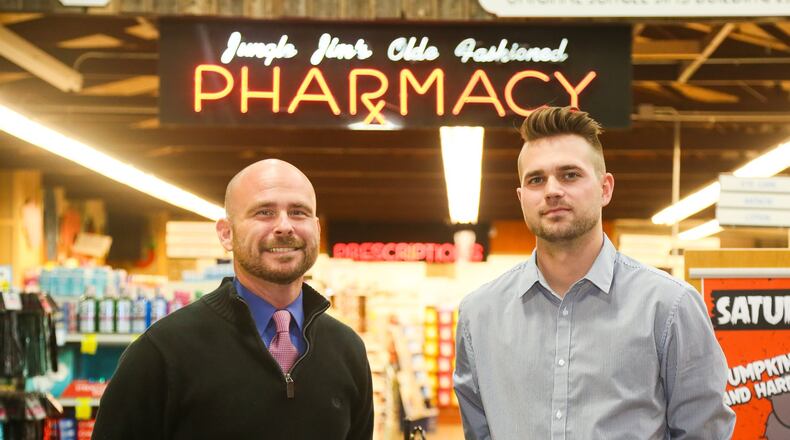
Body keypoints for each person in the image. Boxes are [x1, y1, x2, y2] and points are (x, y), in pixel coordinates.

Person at [453, 107, 735, 439]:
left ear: (605, 188)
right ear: (521, 198)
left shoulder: (670, 307)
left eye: (570, 174)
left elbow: (703, 431)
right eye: (536, 179)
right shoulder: (479, 315)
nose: (552, 190)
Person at [93, 159, 374, 439]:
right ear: (226, 234)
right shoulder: (162, 352)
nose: (285, 226)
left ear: (316, 229)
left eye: (298, 212)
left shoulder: (347, 351)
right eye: (264, 212)